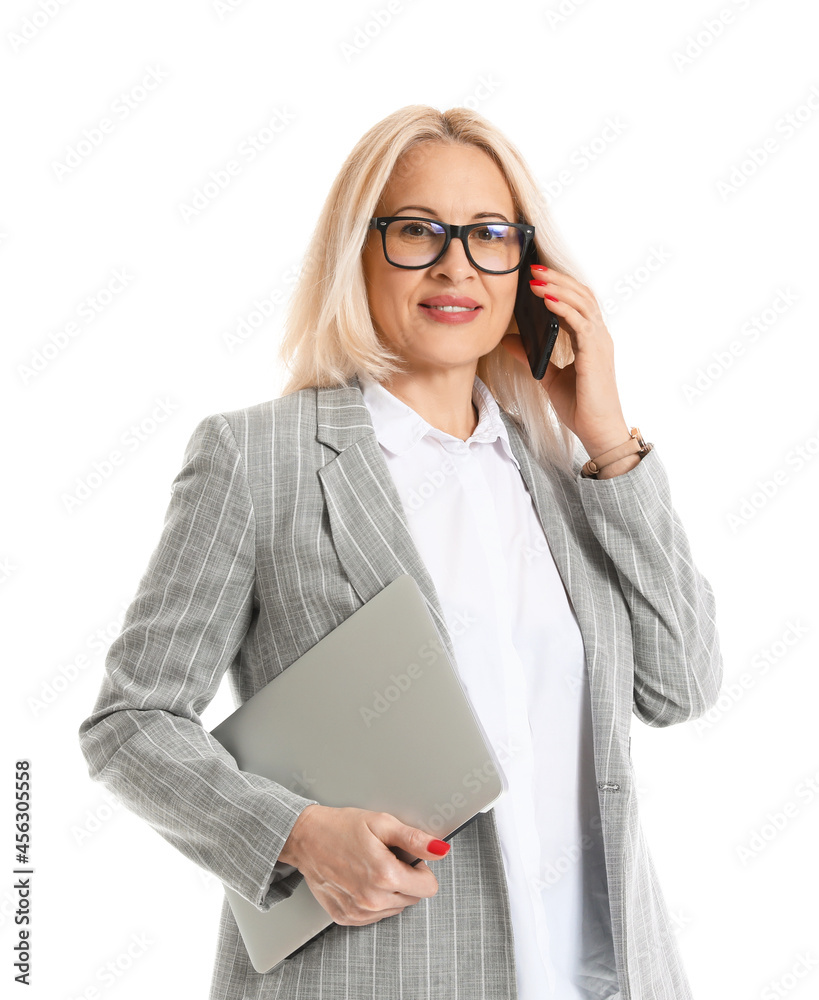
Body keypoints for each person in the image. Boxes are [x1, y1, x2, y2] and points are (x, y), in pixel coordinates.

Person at [78, 105, 723, 1000]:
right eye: (418, 231)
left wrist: (606, 436)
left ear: (527, 270)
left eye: (489, 234)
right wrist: (294, 833)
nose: (457, 263)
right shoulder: (257, 460)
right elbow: (130, 724)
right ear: (360, 252)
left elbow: (682, 685)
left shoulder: (564, 477)